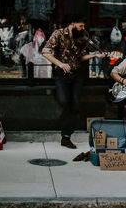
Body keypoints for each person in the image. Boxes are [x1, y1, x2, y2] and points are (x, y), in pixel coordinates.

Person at [42, 15, 105, 149]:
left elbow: (81, 57)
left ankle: (66, 136)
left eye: (84, 26)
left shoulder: (81, 37)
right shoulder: (58, 34)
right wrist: (61, 64)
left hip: (77, 75)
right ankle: (63, 125)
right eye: (80, 26)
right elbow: (45, 52)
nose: (83, 29)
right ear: (72, 23)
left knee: (75, 105)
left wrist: (95, 55)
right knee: (65, 102)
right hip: (61, 74)